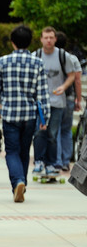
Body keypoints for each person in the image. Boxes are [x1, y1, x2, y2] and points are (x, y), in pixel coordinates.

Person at [0, 25, 49, 202]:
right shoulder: (38, 63)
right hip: (30, 115)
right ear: (30, 42)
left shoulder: (3, 61)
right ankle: (21, 185)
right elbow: (42, 93)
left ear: (13, 43)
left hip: (10, 114)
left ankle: (18, 182)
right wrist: (44, 117)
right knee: (24, 151)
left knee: (11, 152)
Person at [32, 27, 76, 178]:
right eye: (46, 37)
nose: (49, 40)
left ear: (55, 39)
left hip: (58, 101)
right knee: (39, 132)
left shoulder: (63, 56)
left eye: (51, 37)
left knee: (52, 133)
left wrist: (63, 86)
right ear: (41, 39)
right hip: (40, 102)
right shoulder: (36, 56)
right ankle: (38, 161)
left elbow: (72, 75)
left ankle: (51, 164)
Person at [54, 31, 82, 172]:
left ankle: (57, 161)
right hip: (70, 97)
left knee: (56, 129)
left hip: (55, 98)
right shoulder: (72, 58)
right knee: (66, 130)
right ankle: (66, 161)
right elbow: (77, 80)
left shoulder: (50, 57)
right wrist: (78, 99)